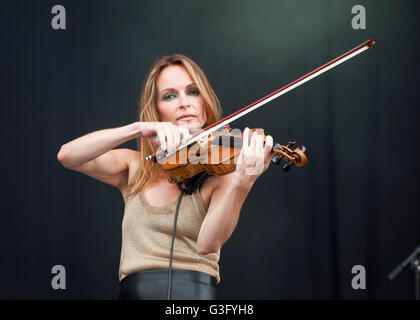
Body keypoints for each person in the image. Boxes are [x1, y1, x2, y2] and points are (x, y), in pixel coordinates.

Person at [57, 54, 274, 300]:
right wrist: (137, 128)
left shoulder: (221, 174)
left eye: (192, 91)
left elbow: (208, 243)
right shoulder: (134, 167)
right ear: (157, 111)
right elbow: (68, 155)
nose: (184, 103)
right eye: (169, 96)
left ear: (205, 101)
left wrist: (243, 183)